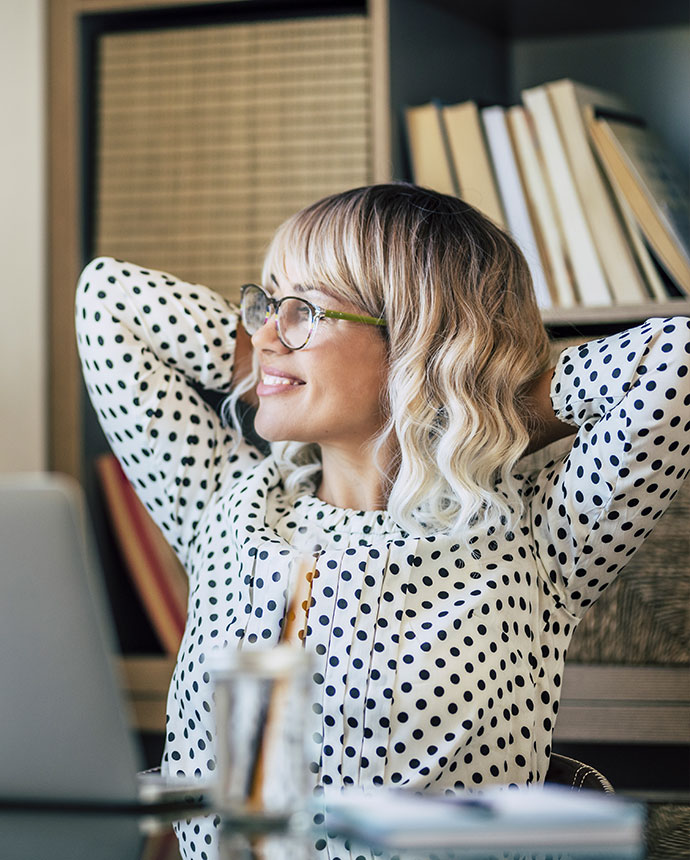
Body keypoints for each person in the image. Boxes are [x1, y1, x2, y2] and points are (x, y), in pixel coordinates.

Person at [76, 183, 690, 796]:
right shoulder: (224, 500)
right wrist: (276, 364)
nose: (264, 333)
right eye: (267, 303)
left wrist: (472, 395)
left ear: (418, 344)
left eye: (303, 312)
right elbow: (108, 298)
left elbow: (676, 360)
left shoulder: (538, 537)